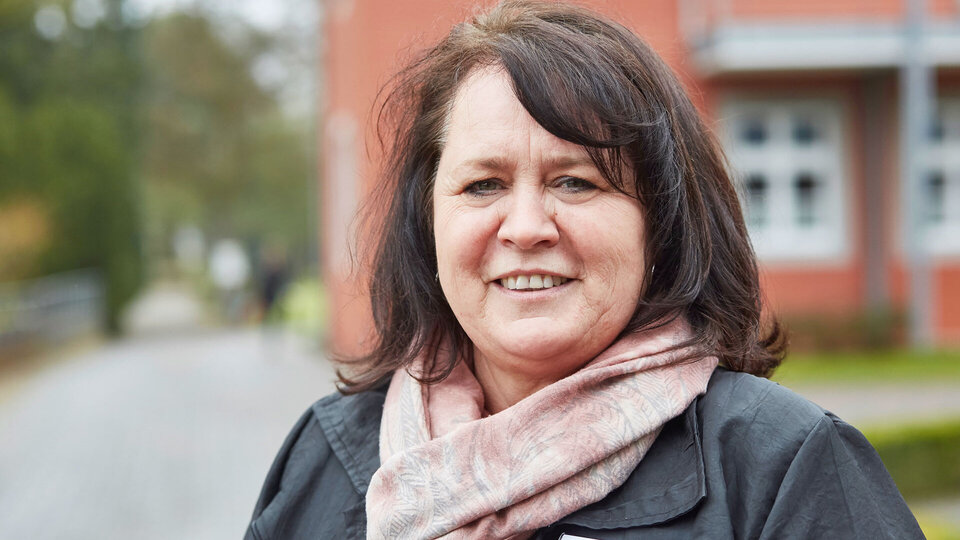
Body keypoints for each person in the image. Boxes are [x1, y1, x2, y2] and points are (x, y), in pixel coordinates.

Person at [245, 1, 924, 538]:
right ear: (426, 225)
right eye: (483, 185)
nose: (526, 227)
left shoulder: (784, 469)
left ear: (660, 222)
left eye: (575, 181)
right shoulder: (326, 455)